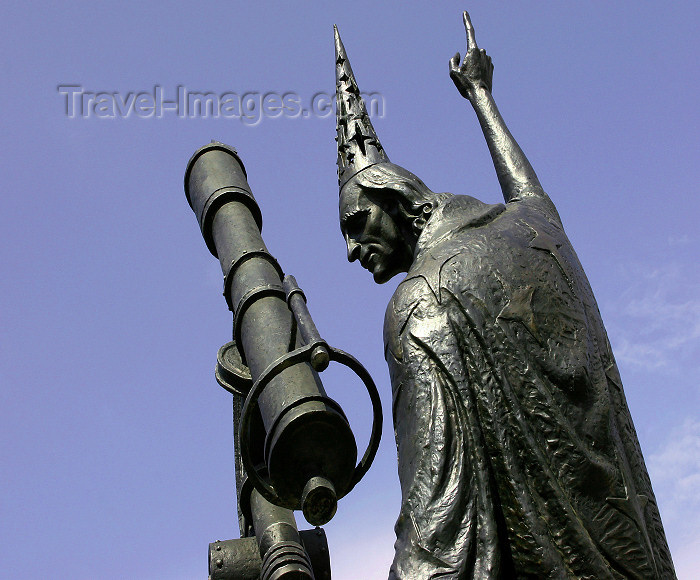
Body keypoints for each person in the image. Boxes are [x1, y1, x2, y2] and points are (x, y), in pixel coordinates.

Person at [335, 12, 677, 579]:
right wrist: (481, 97)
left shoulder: (420, 306)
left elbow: (438, 534)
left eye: (356, 221)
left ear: (393, 196)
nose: (351, 249)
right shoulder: (538, 232)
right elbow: (528, 190)